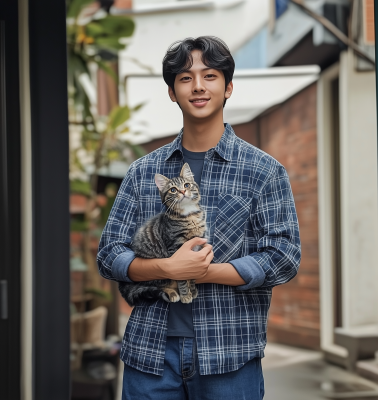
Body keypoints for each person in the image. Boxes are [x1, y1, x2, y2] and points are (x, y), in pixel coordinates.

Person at [97, 36, 301, 400]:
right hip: (150, 356)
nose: (198, 87)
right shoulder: (143, 172)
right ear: (173, 92)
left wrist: (205, 273)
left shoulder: (263, 171)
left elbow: (283, 257)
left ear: (228, 87)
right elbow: (110, 253)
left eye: (210, 76)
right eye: (186, 78)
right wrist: (167, 269)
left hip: (230, 354)